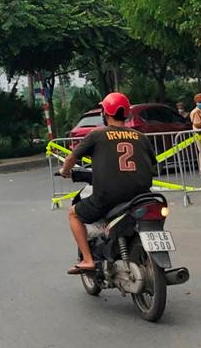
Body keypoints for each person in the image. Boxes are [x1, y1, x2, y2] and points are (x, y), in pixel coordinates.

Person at [60, 92, 154, 274]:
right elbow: (152, 164)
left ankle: (87, 260)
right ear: (126, 113)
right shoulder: (140, 136)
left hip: (108, 197)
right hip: (143, 196)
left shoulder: (97, 135)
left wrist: (65, 171)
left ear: (106, 113)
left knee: (74, 214)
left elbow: (71, 157)